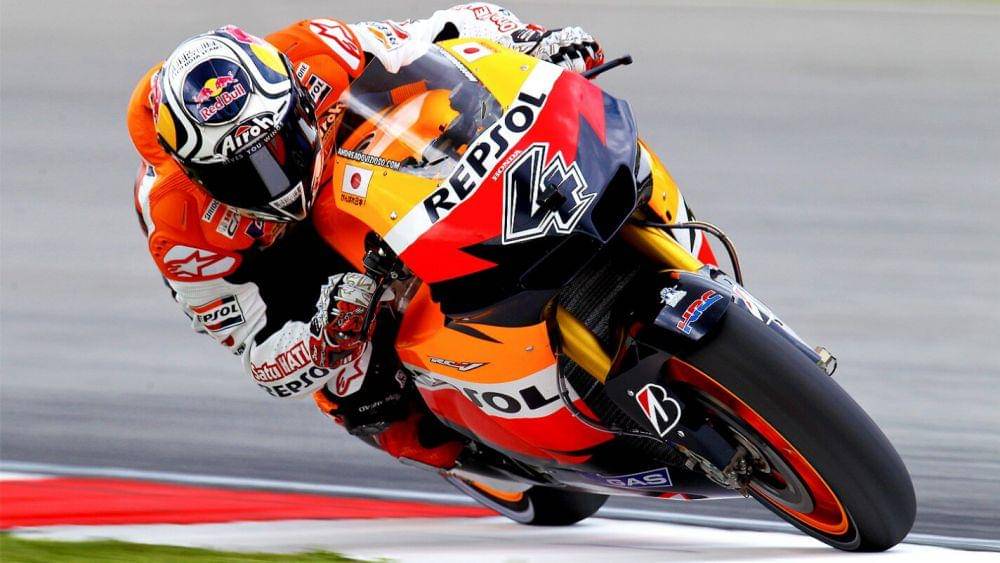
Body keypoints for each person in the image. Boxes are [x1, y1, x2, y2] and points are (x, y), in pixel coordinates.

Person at [126, 4, 604, 469]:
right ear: (196, 173)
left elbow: (439, 34)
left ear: (294, 98)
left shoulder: (315, 50)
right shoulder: (175, 223)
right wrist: (322, 336)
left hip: (381, 158)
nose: (275, 176)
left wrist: (528, 41)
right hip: (297, 259)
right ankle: (476, 460)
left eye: (281, 142)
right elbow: (255, 350)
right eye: (243, 173)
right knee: (357, 389)